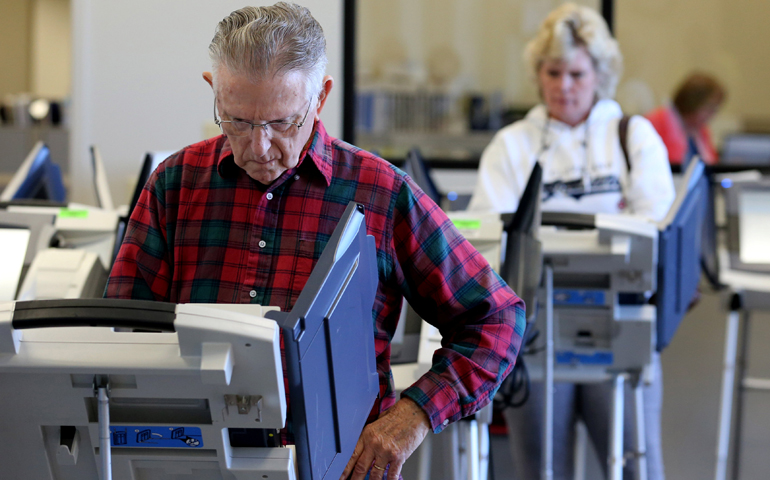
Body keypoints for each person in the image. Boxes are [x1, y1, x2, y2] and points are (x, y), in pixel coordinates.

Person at [104, 3, 525, 480]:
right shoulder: (176, 184)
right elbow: (122, 333)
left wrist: (414, 417)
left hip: (336, 465)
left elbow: (497, 318)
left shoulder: (380, 193)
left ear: (320, 97)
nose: (259, 147)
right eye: (238, 121)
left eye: (282, 122)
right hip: (194, 457)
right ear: (213, 89)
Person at [468, 4, 675, 480]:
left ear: (600, 74)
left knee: (636, 467)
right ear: (537, 74)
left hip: (620, 324)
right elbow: (486, 235)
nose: (564, 86)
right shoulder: (512, 145)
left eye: (576, 73)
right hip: (535, 331)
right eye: (553, 72)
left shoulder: (633, 136)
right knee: (540, 470)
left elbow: (655, 225)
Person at [646, 72, 726, 166]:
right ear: (693, 103)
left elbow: (713, 163)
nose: (712, 115)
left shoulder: (700, 129)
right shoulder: (656, 123)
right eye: (709, 109)